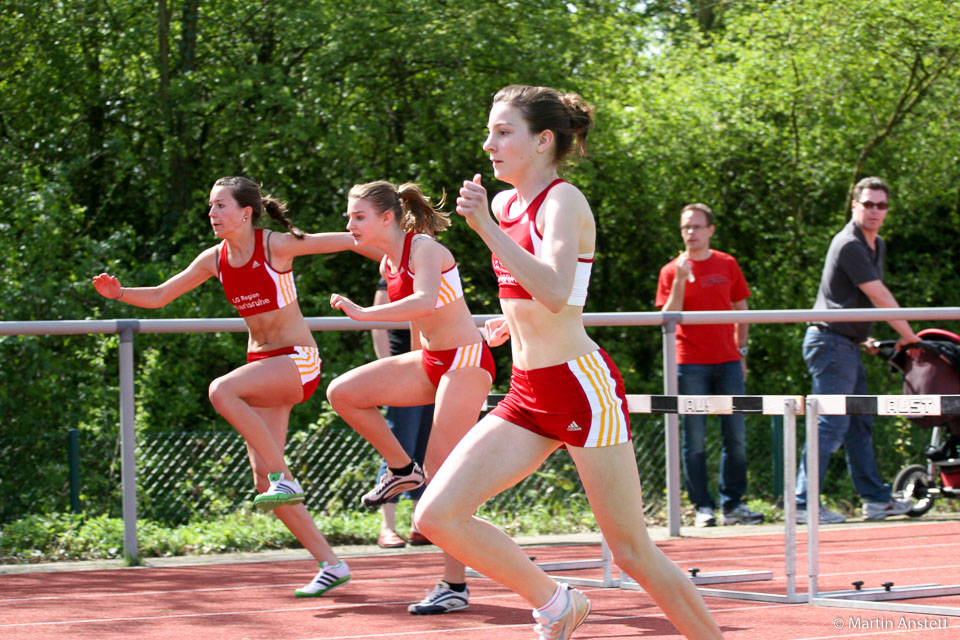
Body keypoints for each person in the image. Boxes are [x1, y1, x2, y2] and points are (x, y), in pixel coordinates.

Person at [416, 85, 723, 640]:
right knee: (436, 516)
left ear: (543, 141)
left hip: (582, 388)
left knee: (631, 551)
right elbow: (539, 290)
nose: (489, 144)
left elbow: (557, 290)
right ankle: (556, 603)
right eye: (490, 131)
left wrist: (484, 228)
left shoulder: (562, 201)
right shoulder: (507, 203)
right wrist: (511, 319)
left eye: (503, 131)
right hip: (528, 391)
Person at [92, 176, 369, 598]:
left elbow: (348, 240)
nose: (212, 213)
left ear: (246, 213)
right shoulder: (214, 258)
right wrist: (120, 293)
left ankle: (286, 477)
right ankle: (331, 563)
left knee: (222, 391)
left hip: (297, 361)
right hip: (262, 368)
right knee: (264, 484)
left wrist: (397, 239)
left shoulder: (275, 245)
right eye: (210, 206)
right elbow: (163, 295)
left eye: (220, 206)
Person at [326, 180, 495, 615]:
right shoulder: (388, 262)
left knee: (442, 475)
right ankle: (402, 469)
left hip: (466, 361)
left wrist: (365, 314)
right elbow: (423, 325)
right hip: (433, 362)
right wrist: (420, 368)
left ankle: (454, 584)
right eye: (349, 216)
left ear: (387, 218)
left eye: (358, 217)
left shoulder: (424, 248)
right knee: (342, 392)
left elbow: (423, 302)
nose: (350, 225)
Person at [796, 176, 920, 524]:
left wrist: (862, 336)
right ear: (854, 206)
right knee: (830, 425)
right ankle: (804, 503)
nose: (874, 211)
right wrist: (908, 336)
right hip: (830, 343)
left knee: (858, 424)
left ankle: (876, 500)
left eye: (881, 205)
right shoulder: (849, 242)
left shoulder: (875, 244)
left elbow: (857, 299)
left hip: (846, 344)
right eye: (868, 204)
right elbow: (878, 295)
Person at [655, 203, 764, 528]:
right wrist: (680, 281)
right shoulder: (671, 269)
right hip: (690, 365)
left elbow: (741, 307)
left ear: (710, 230)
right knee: (695, 439)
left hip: (729, 362)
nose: (691, 233)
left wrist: (741, 352)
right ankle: (704, 507)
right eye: (686, 227)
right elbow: (667, 317)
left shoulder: (727, 263)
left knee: (737, 437)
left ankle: (733, 505)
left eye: (697, 227)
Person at [370, 277, 435, 549]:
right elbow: (378, 328)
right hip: (403, 374)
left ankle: (419, 525)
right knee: (398, 449)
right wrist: (389, 368)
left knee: (428, 450)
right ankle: (388, 527)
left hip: (432, 371)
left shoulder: (431, 279)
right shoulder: (388, 282)